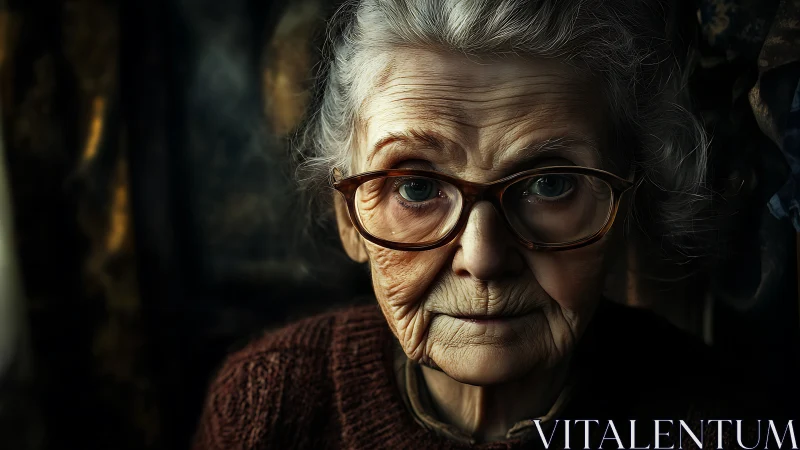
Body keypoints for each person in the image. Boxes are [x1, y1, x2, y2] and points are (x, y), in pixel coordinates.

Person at [193, 1, 757, 448]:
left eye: (550, 184)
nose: (484, 258)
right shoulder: (267, 404)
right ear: (349, 215)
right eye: (416, 188)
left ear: (624, 204)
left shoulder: (715, 422)